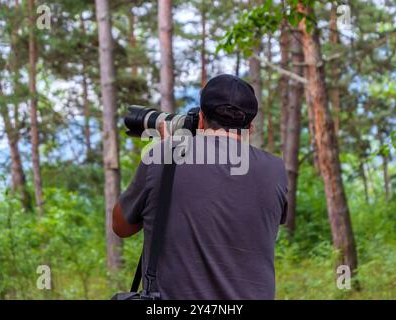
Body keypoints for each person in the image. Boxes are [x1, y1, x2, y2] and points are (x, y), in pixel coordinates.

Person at [113, 74, 288, 299]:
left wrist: (168, 150)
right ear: (250, 127)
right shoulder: (275, 170)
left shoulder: (165, 156)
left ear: (201, 118)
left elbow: (121, 226)